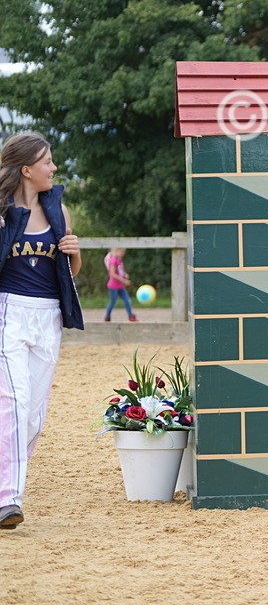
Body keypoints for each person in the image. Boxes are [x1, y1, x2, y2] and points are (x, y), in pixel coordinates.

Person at [0, 132, 83, 530]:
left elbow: (70, 274)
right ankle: (8, 499)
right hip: (9, 312)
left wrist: (75, 253)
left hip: (48, 316)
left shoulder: (59, 212)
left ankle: (5, 486)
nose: (53, 167)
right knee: (14, 404)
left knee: (32, 416)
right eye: (47, 161)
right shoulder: (1, 211)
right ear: (26, 169)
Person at [103, 246, 136, 322]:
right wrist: (123, 280)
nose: (123, 254)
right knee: (112, 302)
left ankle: (131, 316)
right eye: (122, 252)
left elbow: (120, 271)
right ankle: (107, 316)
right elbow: (112, 274)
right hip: (113, 286)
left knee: (127, 300)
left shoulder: (119, 260)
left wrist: (125, 274)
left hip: (120, 286)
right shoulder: (113, 260)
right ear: (117, 251)